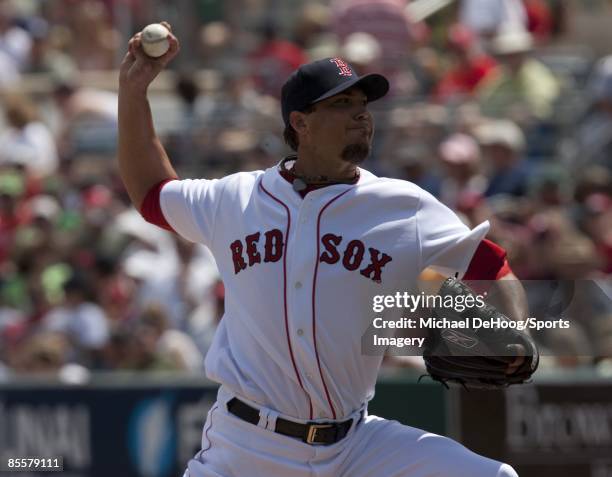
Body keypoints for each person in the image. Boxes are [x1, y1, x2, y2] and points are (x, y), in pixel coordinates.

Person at [118, 22, 528, 477]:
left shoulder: (404, 206)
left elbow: (491, 263)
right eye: (342, 104)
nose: (361, 115)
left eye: (363, 104)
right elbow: (153, 193)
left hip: (355, 446)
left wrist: (515, 328)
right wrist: (134, 93)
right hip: (246, 447)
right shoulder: (234, 199)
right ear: (300, 122)